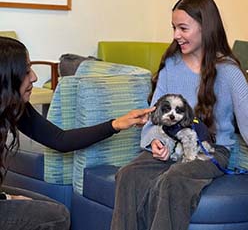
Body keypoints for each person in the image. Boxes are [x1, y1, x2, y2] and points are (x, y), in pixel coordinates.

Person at [110, 0, 248, 230]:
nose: (176, 36)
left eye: (183, 28)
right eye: (174, 28)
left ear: (206, 27)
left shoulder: (229, 71)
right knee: (128, 174)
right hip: (170, 145)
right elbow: (154, 118)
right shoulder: (170, 67)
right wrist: (156, 142)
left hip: (210, 152)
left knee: (174, 179)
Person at [0, 36, 155, 230]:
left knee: (54, 209)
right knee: (56, 217)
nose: (34, 77)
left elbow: (61, 140)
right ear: (7, 76)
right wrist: (6, 198)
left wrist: (116, 124)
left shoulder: (15, 105)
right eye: (26, 70)